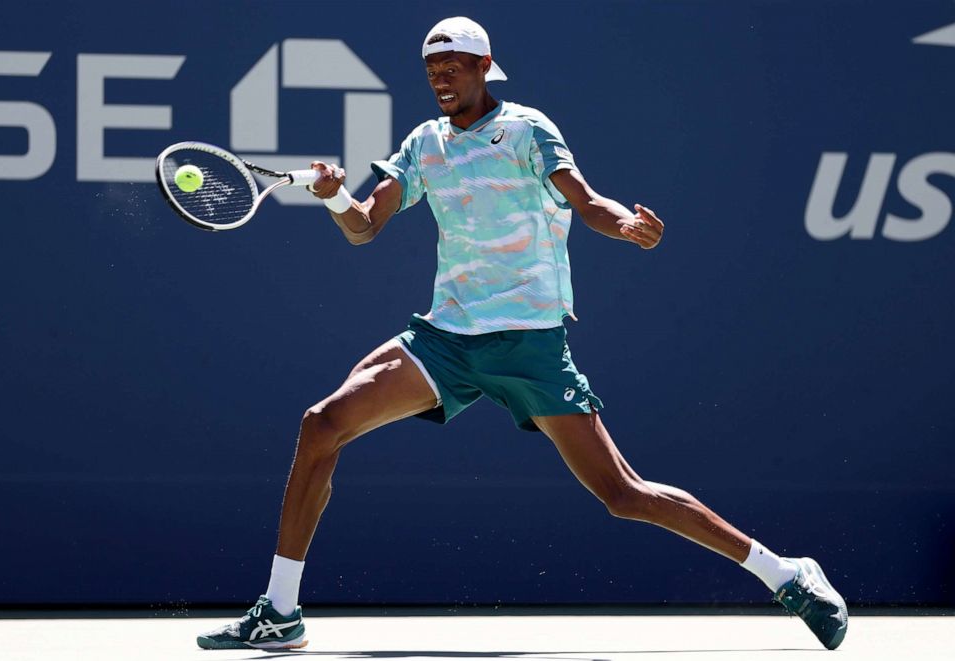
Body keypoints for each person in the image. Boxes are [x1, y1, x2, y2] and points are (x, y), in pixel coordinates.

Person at [197, 16, 847, 652]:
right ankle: (280, 610)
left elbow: (587, 200)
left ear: (485, 67)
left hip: (530, 345)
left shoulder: (528, 130)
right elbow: (366, 225)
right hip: (446, 340)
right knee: (322, 423)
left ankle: (785, 571)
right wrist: (338, 197)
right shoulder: (424, 143)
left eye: (452, 68)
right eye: (431, 72)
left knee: (624, 495)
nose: (440, 80)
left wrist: (624, 225)